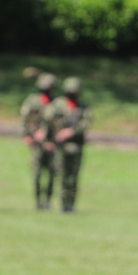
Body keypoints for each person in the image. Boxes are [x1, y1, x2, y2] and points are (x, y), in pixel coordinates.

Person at [42, 77, 92, 213]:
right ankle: (62, 204)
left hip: (76, 146)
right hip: (60, 146)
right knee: (62, 176)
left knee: (74, 177)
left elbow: (86, 123)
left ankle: (71, 205)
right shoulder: (58, 105)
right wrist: (48, 140)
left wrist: (71, 131)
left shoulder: (83, 107)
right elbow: (48, 122)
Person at [21, 73, 56, 210]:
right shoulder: (32, 101)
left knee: (52, 173)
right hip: (36, 143)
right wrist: (27, 135)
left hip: (52, 144)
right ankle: (37, 201)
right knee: (36, 173)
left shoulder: (56, 103)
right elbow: (25, 118)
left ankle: (47, 200)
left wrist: (52, 140)